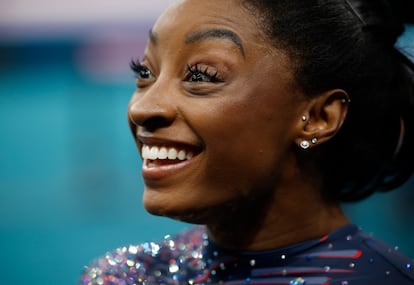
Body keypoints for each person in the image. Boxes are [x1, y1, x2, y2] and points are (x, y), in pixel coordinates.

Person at [79, 0, 414, 284]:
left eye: (201, 76)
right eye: (145, 73)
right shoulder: (128, 275)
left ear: (318, 117)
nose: (142, 108)